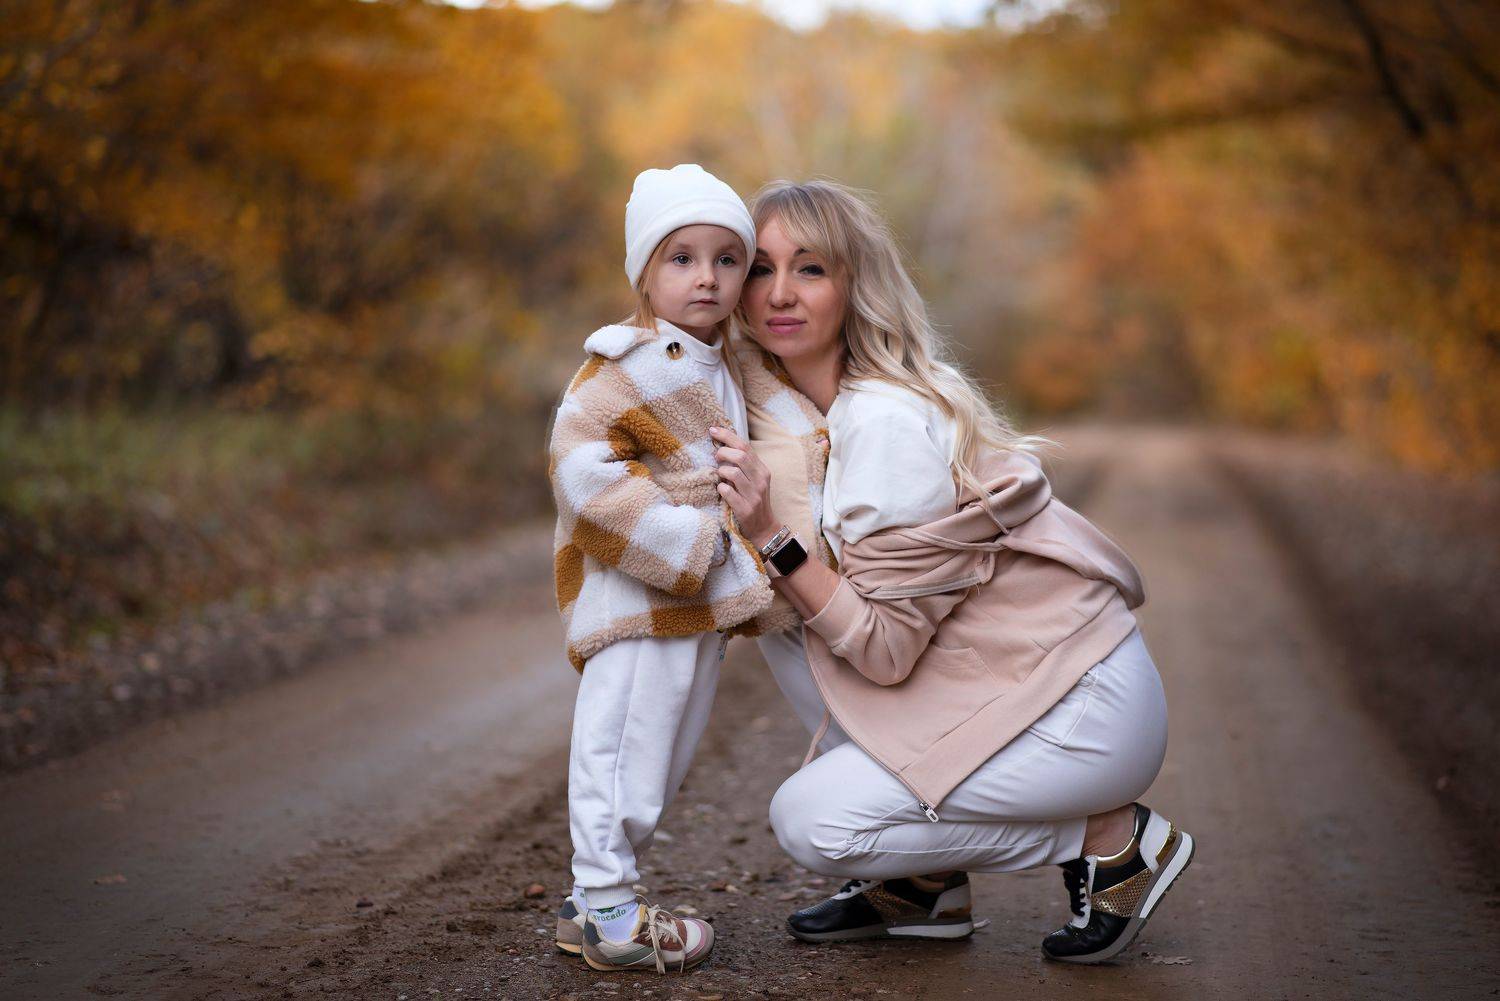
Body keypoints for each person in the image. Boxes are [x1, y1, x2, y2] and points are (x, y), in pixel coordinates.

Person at [712, 179, 1195, 965]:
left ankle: (1111, 837)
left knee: (814, 821)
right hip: (1015, 689)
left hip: (1079, 712)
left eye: (811, 268)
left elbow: (884, 651)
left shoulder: (882, 421)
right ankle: (925, 883)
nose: (779, 293)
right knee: (784, 613)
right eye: (760, 269)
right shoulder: (808, 421)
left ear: (854, 285)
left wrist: (770, 534)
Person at [545, 163, 774, 973]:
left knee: (663, 754)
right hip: (640, 595)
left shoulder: (725, 362)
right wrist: (688, 540)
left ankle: (592, 902)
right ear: (644, 272)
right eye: (682, 258)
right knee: (622, 744)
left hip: (697, 604)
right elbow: (580, 469)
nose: (706, 277)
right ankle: (610, 909)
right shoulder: (626, 362)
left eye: (726, 258)